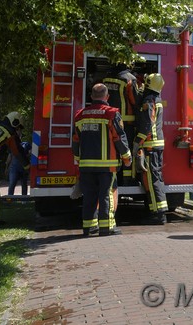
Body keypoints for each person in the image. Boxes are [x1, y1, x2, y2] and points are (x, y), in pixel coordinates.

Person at [72, 83, 131, 237]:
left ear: (91, 97)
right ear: (107, 97)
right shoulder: (111, 114)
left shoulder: (80, 115)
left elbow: (75, 141)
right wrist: (126, 158)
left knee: (89, 196)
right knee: (106, 195)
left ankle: (89, 227)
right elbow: (119, 138)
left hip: (86, 166)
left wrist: (78, 160)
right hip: (107, 166)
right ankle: (107, 228)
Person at [134, 73, 168, 224]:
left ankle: (159, 214)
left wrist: (137, 141)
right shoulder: (157, 99)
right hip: (157, 144)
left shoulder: (149, 101)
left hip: (150, 145)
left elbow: (147, 124)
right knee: (157, 178)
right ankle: (157, 210)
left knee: (152, 180)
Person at [103, 64, 140, 186]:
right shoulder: (129, 79)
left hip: (109, 120)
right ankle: (127, 180)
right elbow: (134, 100)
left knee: (113, 150)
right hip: (126, 122)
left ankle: (114, 178)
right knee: (126, 150)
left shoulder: (106, 78)